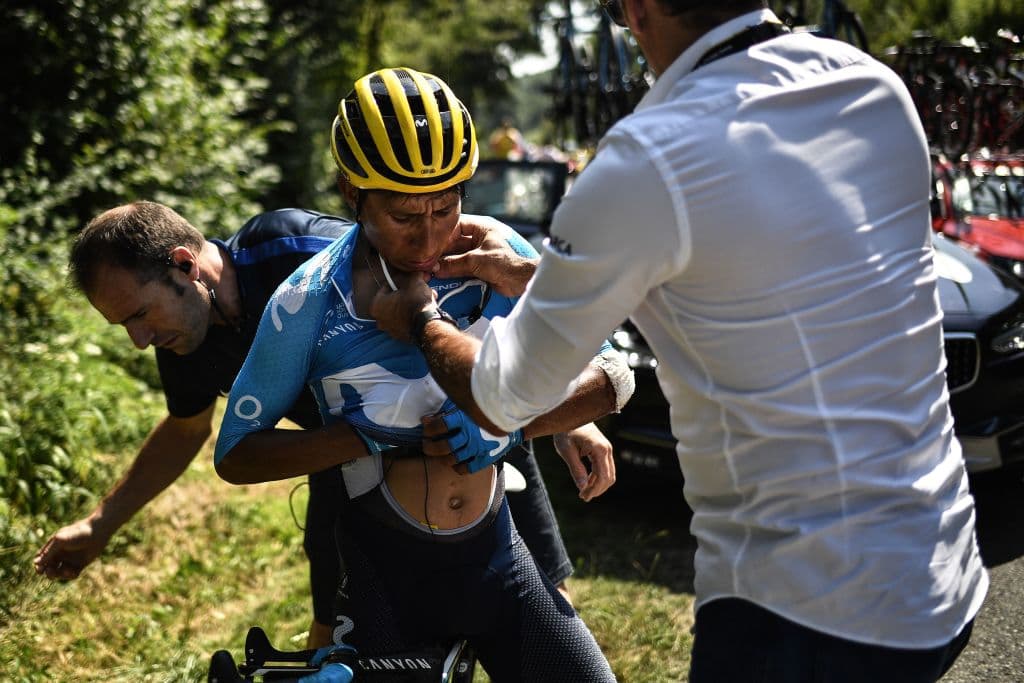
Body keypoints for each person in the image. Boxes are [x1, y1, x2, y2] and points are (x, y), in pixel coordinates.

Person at [369, 2, 990, 681]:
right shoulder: (873, 87)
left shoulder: (648, 156)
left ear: (636, 9)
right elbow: (750, 279)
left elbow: (501, 396)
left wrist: (422, 317)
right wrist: (550, 278)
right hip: (942, 562)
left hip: (807, 609)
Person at [213, 67, 629, 681]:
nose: (430, 236)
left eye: (446, 206)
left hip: (498, 562)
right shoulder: (306, 302)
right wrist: (367, 437)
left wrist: (516, 425)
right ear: (352, 193)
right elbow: (236, 455)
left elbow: (611, 376)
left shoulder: (492, 252)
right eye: (406, 216)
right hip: (386, 581)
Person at [33, 203, 603, 649]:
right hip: (345, 464)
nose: (138, 340)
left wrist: (561, 415)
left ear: (184, 265)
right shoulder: (182, 335)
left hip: (473, 431)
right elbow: (186, 430)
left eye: (137, 315)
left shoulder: (300, 253)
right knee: (336, 633)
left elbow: (459, 294)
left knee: (541, 602)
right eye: (124, 325)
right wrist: (100, 525)